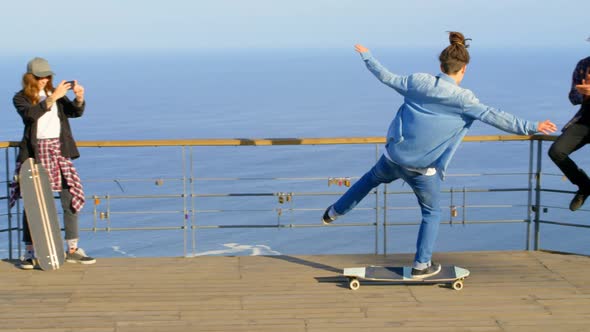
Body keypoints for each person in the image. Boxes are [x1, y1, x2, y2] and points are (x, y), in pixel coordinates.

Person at [321, 32, 557, 278]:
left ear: (441, 65)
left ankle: (333, 212)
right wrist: (533, 126)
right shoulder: (464, 100)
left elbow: (386, 77)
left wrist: (368, 57)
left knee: (368, 181)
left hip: (393, 158)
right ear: (463, 68)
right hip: (422, 170)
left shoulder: (417, 82)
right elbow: (497, 117)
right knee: (431, 213)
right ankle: (421, 266)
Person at [11, 57, 95, 269]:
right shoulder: (21, 98)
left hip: (59, 150)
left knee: (70, 197)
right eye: (40, 76)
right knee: (33, 203)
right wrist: (52, 98)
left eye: (47, 76)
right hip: (35, 153)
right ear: (30, 78)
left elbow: (75, 113)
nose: (44, 80)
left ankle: (73, 250)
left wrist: (79, 98)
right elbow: (30, 116)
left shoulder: (54, 94)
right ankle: (30, 253)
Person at [548, 40, 590, 211]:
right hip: (585, 120)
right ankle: (584, 185)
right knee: (556, 151)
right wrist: (585, 94)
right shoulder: (583, 64)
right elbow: (573, 97)